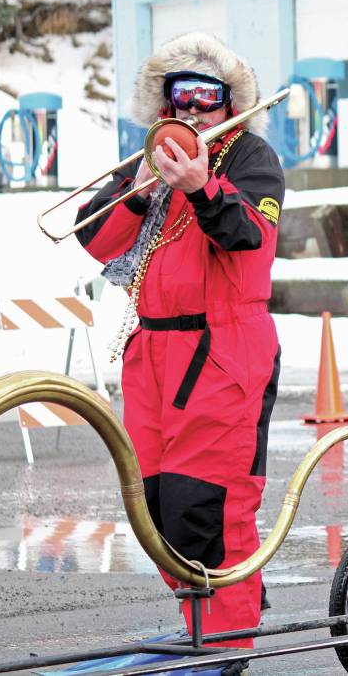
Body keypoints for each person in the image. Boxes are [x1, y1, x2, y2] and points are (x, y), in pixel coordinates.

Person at [76, 33, 284, 649]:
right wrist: (138, 189)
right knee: (157, 511)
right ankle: (218, 613)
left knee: (209, 506)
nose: (192, 109)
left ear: (229, 102)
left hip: (224, 348)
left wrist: (199, 186)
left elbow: (249, 238)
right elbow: (94, 240)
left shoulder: (252, 156)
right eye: (179, 95)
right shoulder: (154, 157)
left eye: (207, 96)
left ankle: (226, 640)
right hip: (153, 351)